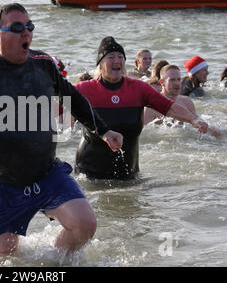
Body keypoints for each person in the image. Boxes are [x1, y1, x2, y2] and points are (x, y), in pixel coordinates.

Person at [0, 3, 123, 256]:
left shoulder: (43, 63)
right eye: (17, 27)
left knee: (85, 225)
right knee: (5, 258)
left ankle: (52, 261)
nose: (26, 33)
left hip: (46, 173)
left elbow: (72, 98)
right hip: (3, 181)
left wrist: (103, 130)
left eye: (30, 26)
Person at [74, 37, 208, 180]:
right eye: (111, 57)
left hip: (129, 174)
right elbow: (55, 108)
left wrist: (194, 119)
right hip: (89, 175)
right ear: (100, 64)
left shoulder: (138, 88)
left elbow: (168, 107)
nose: (116, 60)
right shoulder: (85, 89)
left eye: (120, 56)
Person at [144, 64, 222, 137]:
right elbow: (143, 134)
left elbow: (197, 122)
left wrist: (210, 129)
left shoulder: (186, 101)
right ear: (162, 82)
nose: (177, 83)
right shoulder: (151, 107)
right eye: (172, 80)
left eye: (178, 79)